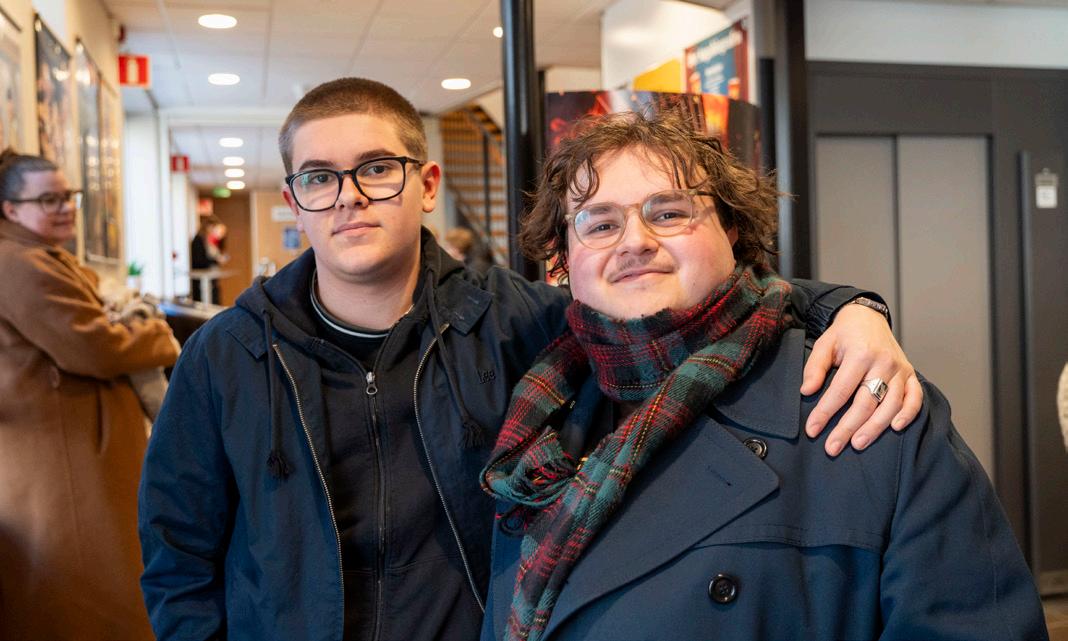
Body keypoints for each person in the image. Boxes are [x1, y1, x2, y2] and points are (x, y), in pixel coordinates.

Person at [139, 78, 922, 641]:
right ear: (294, 199)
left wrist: (847, 308)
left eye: (376, 168)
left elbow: (672, 303)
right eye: (319, 177)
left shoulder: (516, 323)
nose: (349, 195)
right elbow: (177, 551)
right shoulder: (226, 354)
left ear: (426, 183)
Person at [479, 112, 1047, 641]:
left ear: (730, 228)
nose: (634, 241)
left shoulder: (864, 405)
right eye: (600, 224)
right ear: (564, 257)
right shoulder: (540, 419)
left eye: (668, 213)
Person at [0, 149, 180, 640]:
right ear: (11, 209)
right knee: (91, 598)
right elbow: (94, 347)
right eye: (48, 199)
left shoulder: (38, 258)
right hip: (62, 459)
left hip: (68, 446)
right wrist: (157, 335)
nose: (65, 207)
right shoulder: (20, 263)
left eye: (69, 196)